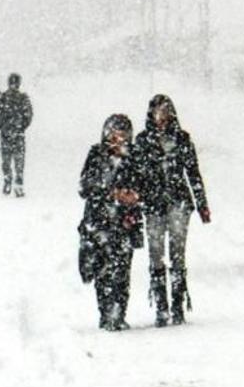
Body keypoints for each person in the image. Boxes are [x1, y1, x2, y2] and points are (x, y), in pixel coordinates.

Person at [135, 94, 211, 327]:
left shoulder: (182, 139)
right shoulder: (143, 141)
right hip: (153, 204)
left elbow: (193, 172)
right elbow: (137, 175)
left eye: (166, 111)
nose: (162, 116)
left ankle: (177, 305)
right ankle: (161, 306)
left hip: (178, 201)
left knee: (178, 252)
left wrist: (201, 204)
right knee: (156, 253)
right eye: (158, 111)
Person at [78, 114, 144, 331]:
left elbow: (144, 186)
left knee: (122, 271)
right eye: (114, 135)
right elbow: (84, 187)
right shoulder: (96, 155)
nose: (118, 140)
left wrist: (134, 196)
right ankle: (106, 313)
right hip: (98, 222)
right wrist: (110, 192)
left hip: (124, 223)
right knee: (102, 270)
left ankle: (118, 312)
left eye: (123, 136)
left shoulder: (134, 158)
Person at [0, 73, 33, 197]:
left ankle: (7, 182)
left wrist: (2, 126)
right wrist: (21, 126)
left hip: (6, 134)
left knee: (6, 160)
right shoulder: (23, 98)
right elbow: (29, 116)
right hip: (18, 134)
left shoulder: (2, 97)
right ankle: (18, 184)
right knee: (19, 161)